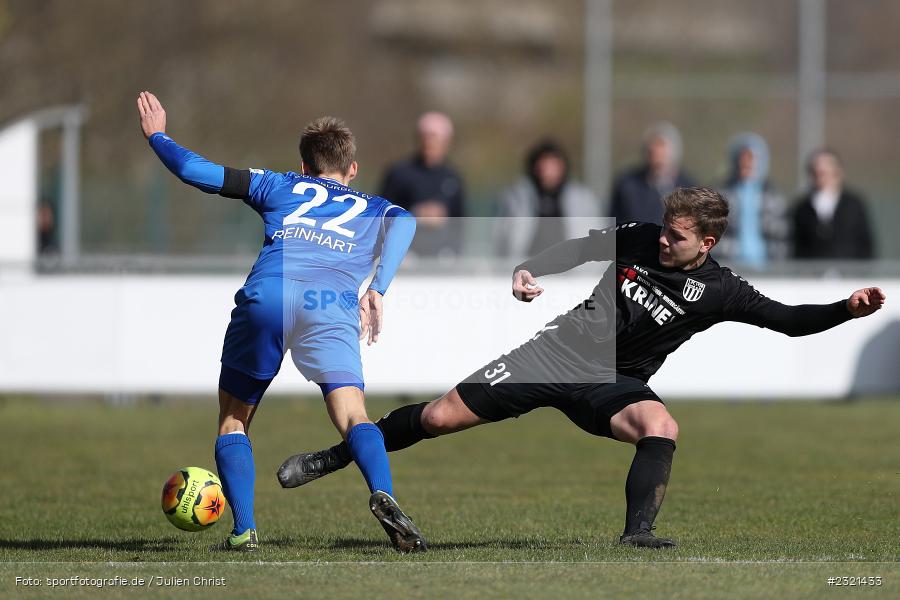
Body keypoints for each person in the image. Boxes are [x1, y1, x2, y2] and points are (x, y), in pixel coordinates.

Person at [277, 187, 885, 549]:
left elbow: (787, 320)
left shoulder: (723, 291)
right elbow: (580, 247)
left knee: (662, 427)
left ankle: (636, 536)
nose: (664, 241)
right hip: (552, 355)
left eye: (677, 236)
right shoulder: (641, 237)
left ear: (707, 243)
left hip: (612, 384)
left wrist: (846, 309)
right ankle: (333, 456)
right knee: (436, 418)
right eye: (665, 230)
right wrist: (531, 268)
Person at [136, 91, 426, 554]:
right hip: (330, 303)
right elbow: (407, 221)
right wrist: (377, 287)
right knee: (353, 415)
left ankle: (244, 529)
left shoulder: (277, 184)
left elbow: (196, 171)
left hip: (270, 295)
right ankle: (382, 492)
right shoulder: (374, 207)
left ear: (305, 167)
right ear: (352, 169)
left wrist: (158, 137)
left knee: (234, 419)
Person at [495, 139, 600, 257]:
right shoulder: (517, 199)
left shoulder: (582, 198)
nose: (547, 171)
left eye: (552, 165)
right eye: (543, 165)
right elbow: (503, 237)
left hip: (569, 270)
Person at [380, 111, 464, 258]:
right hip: (406, 255)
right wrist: (415, 214)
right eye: (425, 136)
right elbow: (382, 213)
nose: (429, 142)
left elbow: (460, 222)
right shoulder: (399, 173)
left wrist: (453, 252)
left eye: (434, 137)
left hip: (441, 257)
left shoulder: (453, 177)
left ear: (446, 141)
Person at [716, 133, 789, 268]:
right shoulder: (721, 193)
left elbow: (782, 235)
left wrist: (778, 264)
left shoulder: (774, 196)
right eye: (741, 157)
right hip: (729, 267)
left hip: (766, 268)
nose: (745, 162)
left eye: (750, 157)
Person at [792, 149, 875, 260]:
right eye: (818, 173)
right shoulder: (802, 208)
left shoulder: (854, 205)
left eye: (827, 173)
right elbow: (797, 246)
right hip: (813, 274)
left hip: (849, 273)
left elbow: (865, 243)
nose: (823, 178)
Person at [609, 122, 695, 225]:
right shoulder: (628, 186)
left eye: (662, 154)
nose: (658, 160)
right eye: (653, 154)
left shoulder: (689, 189)